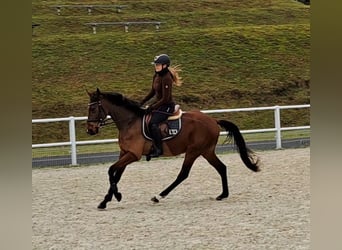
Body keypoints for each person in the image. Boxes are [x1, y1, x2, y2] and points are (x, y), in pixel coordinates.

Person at [140, 54, 183, 158]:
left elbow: (165, 98)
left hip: (167, 106)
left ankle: (159, 149)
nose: (156, 66)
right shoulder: (156, 75)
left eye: (158, 65)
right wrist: (141, 102)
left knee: (153, 124)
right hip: (159, 104)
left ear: (165, 66)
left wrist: (152, 107)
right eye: (155, 65)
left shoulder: (167, 78)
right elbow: (152, 92)